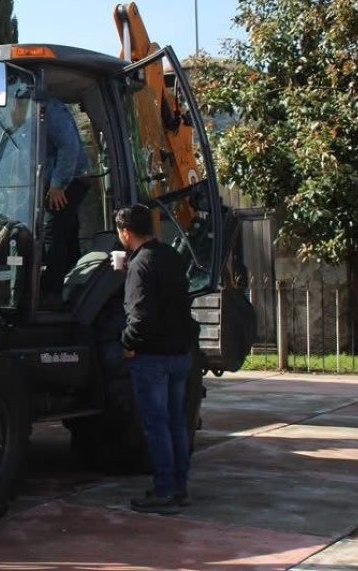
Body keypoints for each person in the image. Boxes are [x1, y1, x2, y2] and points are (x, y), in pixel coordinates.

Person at [115, 204, 199, 515]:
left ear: (126, 232)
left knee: (157, 425)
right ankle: (179, 486)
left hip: (152, 358)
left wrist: (127, 343)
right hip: (180, 354)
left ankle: (164, 490)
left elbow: (141, 316)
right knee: (177, 422)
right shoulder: (171, 257)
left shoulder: (140, 266)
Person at [40, 97, 91, 301]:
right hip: (58, 180)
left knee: (52, 232)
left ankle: (51, 293)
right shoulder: (28, 113)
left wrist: (57, 185)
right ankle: (73, 288)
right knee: (67, 232)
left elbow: (69, 146)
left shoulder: (49, 109)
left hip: (71, 180)